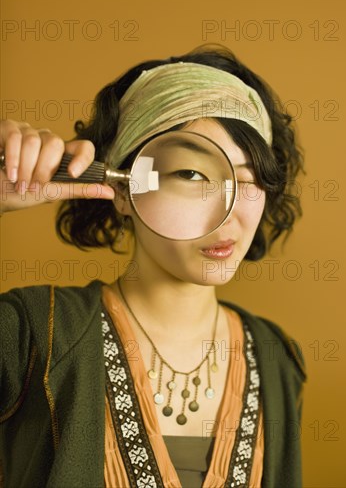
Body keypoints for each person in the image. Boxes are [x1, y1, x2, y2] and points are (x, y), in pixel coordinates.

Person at [0, 44, 306, 488]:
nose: (231, 208)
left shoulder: (278, 359)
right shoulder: (33, 333)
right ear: (124, 190)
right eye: (192, 175)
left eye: (249, 179)